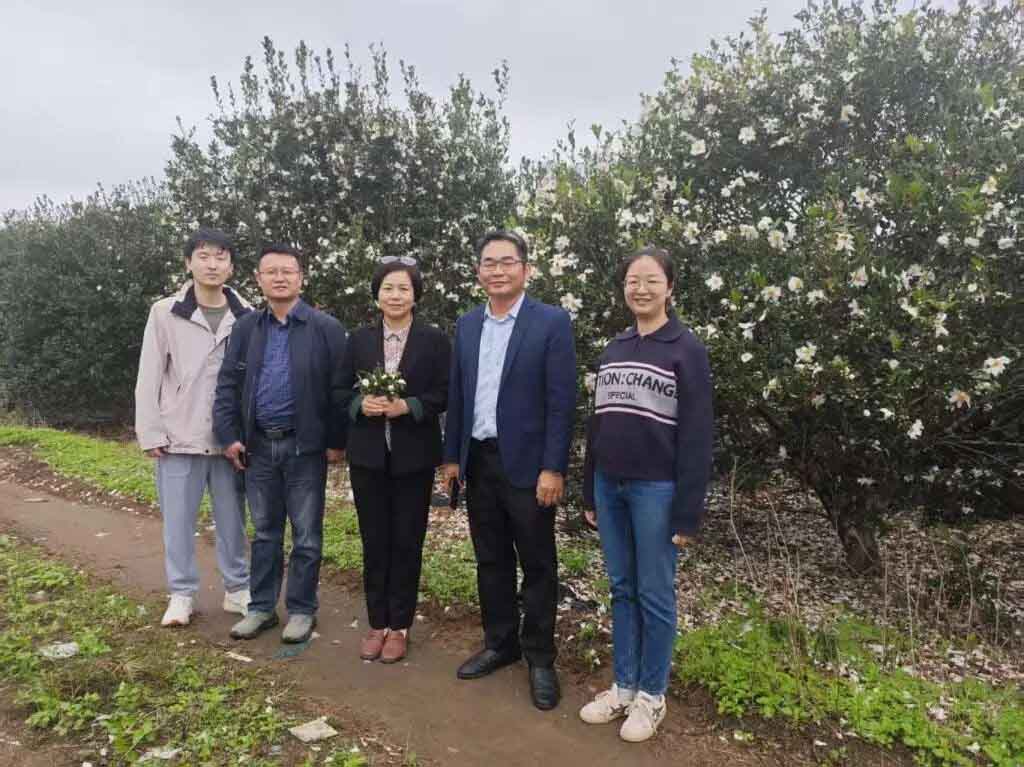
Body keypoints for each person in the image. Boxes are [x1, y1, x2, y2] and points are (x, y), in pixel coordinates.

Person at [579, 246, 714, 742]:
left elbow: (697, 435)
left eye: (652, 280)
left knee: (654, 593)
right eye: (633, 281)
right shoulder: (614, 348)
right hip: (609, 485)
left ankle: (652, 696)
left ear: (669, 288)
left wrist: (687, 512)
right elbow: (597, 424)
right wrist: (589, 490)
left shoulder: (686, 348)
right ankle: (624, 686)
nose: (641, 289)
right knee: (621, 588)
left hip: (656, 489)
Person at [442, 229, 576, 710]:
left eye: (507, 262)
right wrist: (452, 457)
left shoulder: (550, 322)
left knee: (538, 563)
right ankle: (501, 643)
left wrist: (553, 467)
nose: (497, 270)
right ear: (478, 271)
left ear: (526, 269)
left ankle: (540, 656)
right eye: (489, 263)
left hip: (529, 465)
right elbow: (458, 393)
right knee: (491, 559)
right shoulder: (467, 324)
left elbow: (562, 402)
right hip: (479, 460)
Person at [213, 243, 347, 644]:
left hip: (305, 448)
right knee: (265, 533)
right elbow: (228, 384)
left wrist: (336, 441)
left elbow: (340, 390)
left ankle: (302, 610)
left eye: (288, 270)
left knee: (306, 534)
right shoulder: (246, 328)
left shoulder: (324, 328)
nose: (280, 277)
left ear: (301, 277)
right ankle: (261, 608)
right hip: (258, 447)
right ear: (258, 279)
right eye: (271, 271)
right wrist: (229, 436)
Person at [134, 227, 252, 628]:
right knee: (178, 521)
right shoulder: (165, 312)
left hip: (228, 439)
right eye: (203, 256)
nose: (212, 264)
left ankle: (238, 589)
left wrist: (245, 433)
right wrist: (151, 431)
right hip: (178, 435)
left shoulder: (248, 315)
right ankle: (181, 594)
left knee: (233, 519)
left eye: (221, 257)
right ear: (189, 263)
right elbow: (149, 374)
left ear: (231, 266)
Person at [337, 256, 451, 664]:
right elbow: (338, 390)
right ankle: (377, 622)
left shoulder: (434, 340)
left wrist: (410, 406)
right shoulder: (359, 340)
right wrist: (359, 404)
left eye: (404, 288)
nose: (396, 295)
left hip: (413, 458)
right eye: (388, 288)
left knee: (406, 541)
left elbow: (445, 392)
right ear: (377, 296)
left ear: (415, 295)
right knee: (374, 541)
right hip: (368, 457)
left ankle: (399, 626)